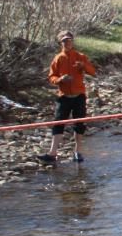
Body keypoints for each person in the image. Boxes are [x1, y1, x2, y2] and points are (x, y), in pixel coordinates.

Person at [39, 30, 95, 164]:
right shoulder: (58, 58)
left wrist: (83, 66)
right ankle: (52, 153)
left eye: (69, 40)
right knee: (58, 123)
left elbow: (92, 71)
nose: (68, 43)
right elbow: (51, 77)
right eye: (65, 41)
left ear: (72, 41)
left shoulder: (80, 56)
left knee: (79, 124)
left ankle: (78, 152)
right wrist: (60, 80)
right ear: (60, 43)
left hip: (79, 96)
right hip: (64, 96)